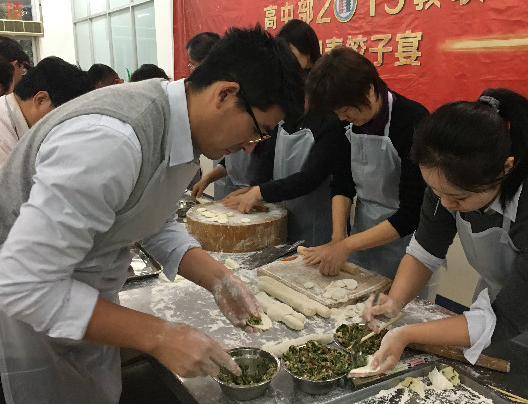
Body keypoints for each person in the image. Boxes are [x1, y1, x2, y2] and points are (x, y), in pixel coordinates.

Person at [0, 25, 305, 404]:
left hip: (88, 301)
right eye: (258, 130)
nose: (249, 147)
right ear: (225, 94)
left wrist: (218, 278)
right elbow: (23, 285)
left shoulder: (180, 126)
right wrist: (159, 336)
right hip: (30, 318)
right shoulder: (111, 141)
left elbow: (153, 218)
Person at [363, 88, 528, 376]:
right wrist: (394, 301)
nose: (446, 204)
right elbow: (425, 251)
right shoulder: (447, 181)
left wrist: (406, 333)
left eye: (459, 198)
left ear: (505, 168)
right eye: (437, 192)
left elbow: (506, 319)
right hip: (501, 303)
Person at [302, 47, 429, 279]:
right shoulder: (345, 123)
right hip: (362, 234)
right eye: (336, 112)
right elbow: (342, 183)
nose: (342, 117)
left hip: (407, 243)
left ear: (369, 90)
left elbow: (411, 212)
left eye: (345, 110)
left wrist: (346, 245)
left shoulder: (412, 120)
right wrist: (338, 239)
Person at [222, 19, 347, 246]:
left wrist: (260, 191)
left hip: (317, 225)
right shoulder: (283, 118)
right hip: (284, 217)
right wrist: (253, 187)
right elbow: (267, 160)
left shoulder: (330, 121)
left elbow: (309, 178)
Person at [0, 56, 92, 166]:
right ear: (41, 100)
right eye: (63, 118)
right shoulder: (3, 138)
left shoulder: (15, 121)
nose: (65, 127)